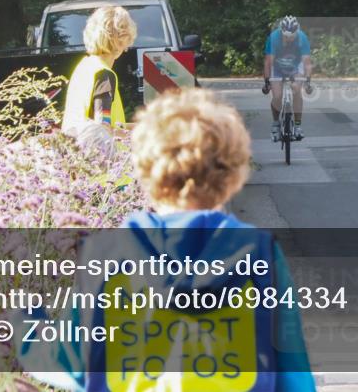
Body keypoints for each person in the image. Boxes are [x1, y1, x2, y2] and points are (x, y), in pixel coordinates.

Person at [16, 88, 316, 392]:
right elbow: (292, 370)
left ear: (144, 173)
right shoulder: (260, 255)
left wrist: (26, 320)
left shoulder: (107, 255)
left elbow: (68, 362)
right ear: (234, 175)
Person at [61, 6, 137, 134]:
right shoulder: (104, 75)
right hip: (98, 152)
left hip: (75, 148)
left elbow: (103, 123)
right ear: (122, 40)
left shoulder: (84, 66)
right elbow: (103, 128)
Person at [262, 15, 312, 142]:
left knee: (296, 90)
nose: (289, 39)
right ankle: (275, 124)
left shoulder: (302, 38)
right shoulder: (274, 38)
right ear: (281, 32)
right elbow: (268, 62)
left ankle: (298, 125)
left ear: (297, 32)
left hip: (295, 67)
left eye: (291, 36)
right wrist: (267, 82)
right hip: (277, 67)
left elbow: (306, 62)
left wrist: (308, 81)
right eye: (286, 36)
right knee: (277, 96)